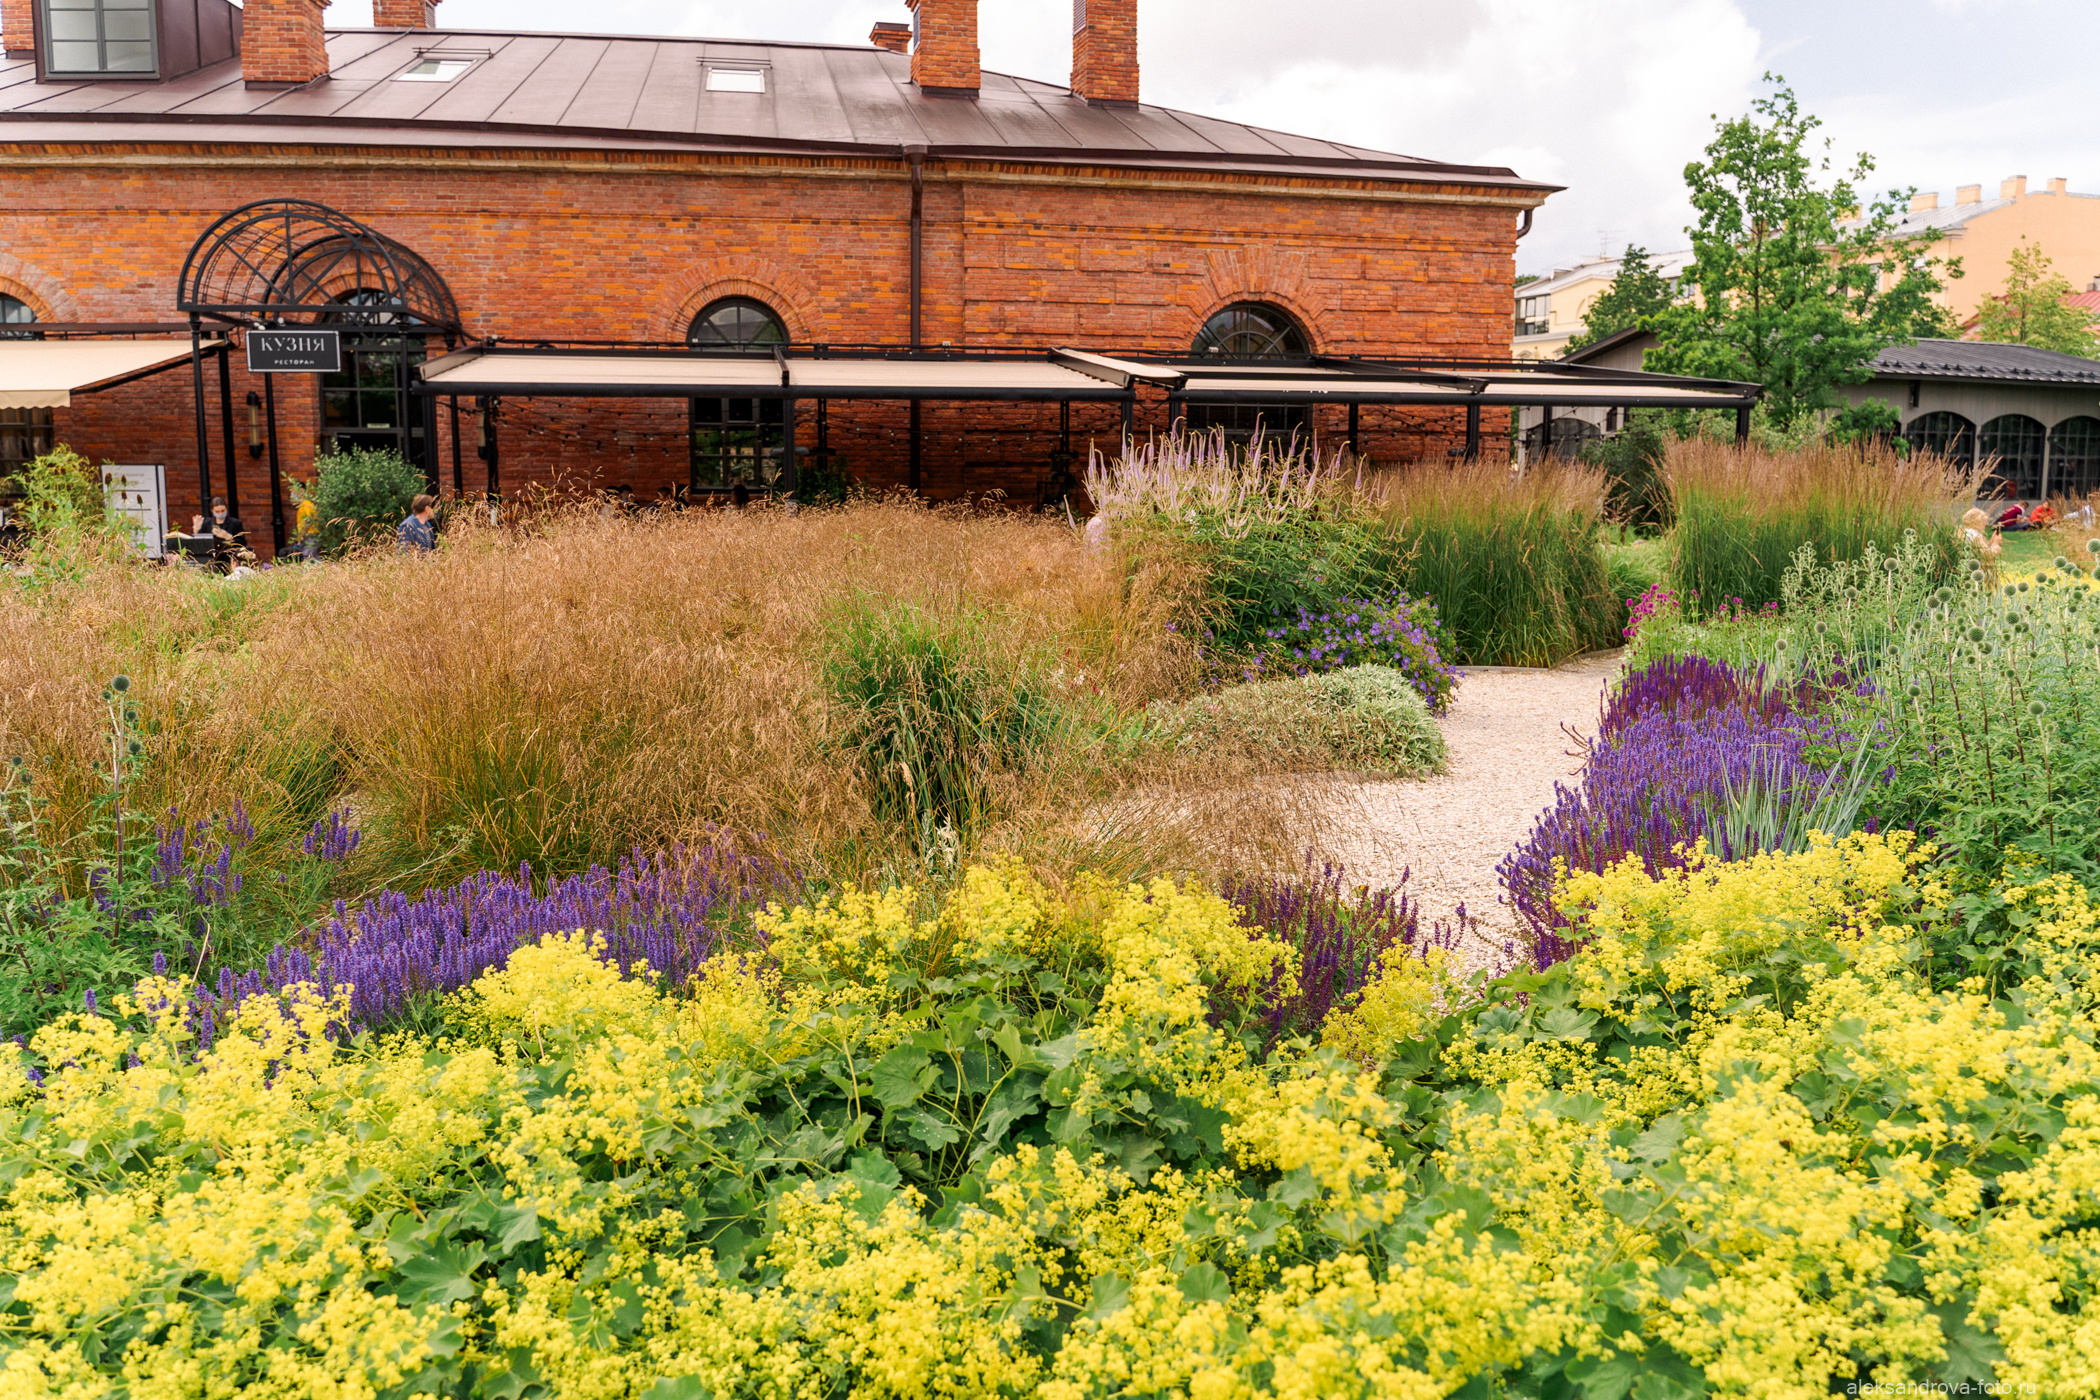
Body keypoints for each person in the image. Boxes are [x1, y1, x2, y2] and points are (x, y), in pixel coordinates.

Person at [189, 497, 245, 568]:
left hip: (229, 557)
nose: (220, 513)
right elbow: (197, 542)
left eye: (223, 511)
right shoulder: (206, 523)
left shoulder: (235, 523)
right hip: (211, 557)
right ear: (212, 511)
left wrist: (228, 537)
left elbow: (242, 543)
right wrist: (196, 529)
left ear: (226, 509)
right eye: (217, 512)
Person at [291, 478, 321, 561]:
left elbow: (309, 520)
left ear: (301, 491)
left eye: (294, 491)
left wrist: (301, 535)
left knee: (308, 559)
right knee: (313, 559)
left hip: (310, 536)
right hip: (309, 537)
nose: (292, 494)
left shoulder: (306, 505)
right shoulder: (303, 505)